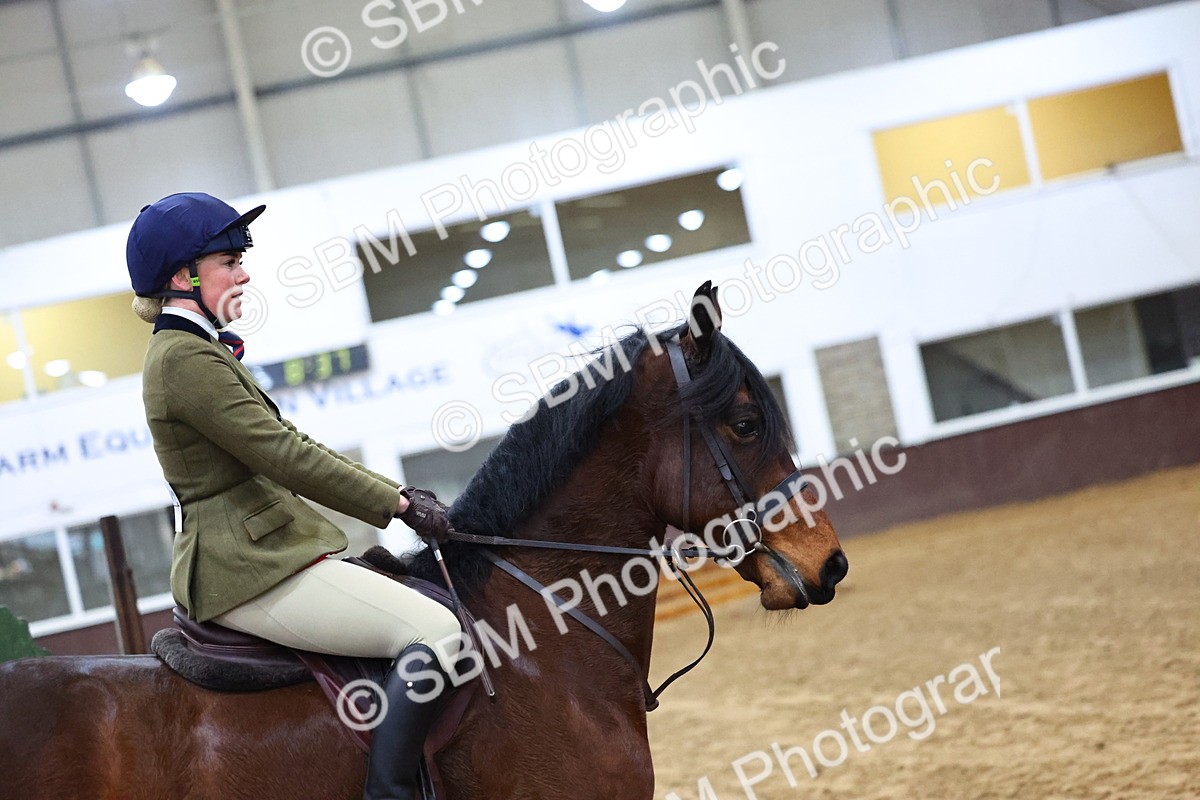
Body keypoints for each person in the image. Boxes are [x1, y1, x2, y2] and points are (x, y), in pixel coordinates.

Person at [127, 192, 455, 800]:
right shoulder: (181, 360)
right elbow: (285, 457)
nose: (244, 272)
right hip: (246, 568)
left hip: (271, 551)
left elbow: (291, 441)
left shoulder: (198, 347)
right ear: (182, 276)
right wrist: (400, 507)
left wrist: (397, 493)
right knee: (436, 631)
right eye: (229, 261)